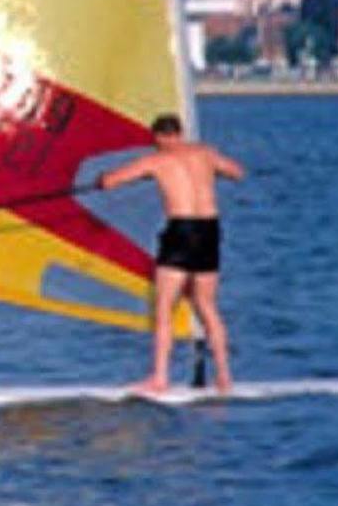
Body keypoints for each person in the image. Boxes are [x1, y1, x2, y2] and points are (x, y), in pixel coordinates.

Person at [97, 114, 245, 394]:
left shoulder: (155, 160)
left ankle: (160, 378)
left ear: (161, 137)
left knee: (165, 305)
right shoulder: (205, 153)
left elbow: (112, 181)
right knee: (207, 305)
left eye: (156, 141)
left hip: (181, 231)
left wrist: (102, 179)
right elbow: (237, 172)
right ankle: (224, 377)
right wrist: (211, 172)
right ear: (180, 132)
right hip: (210, 230)